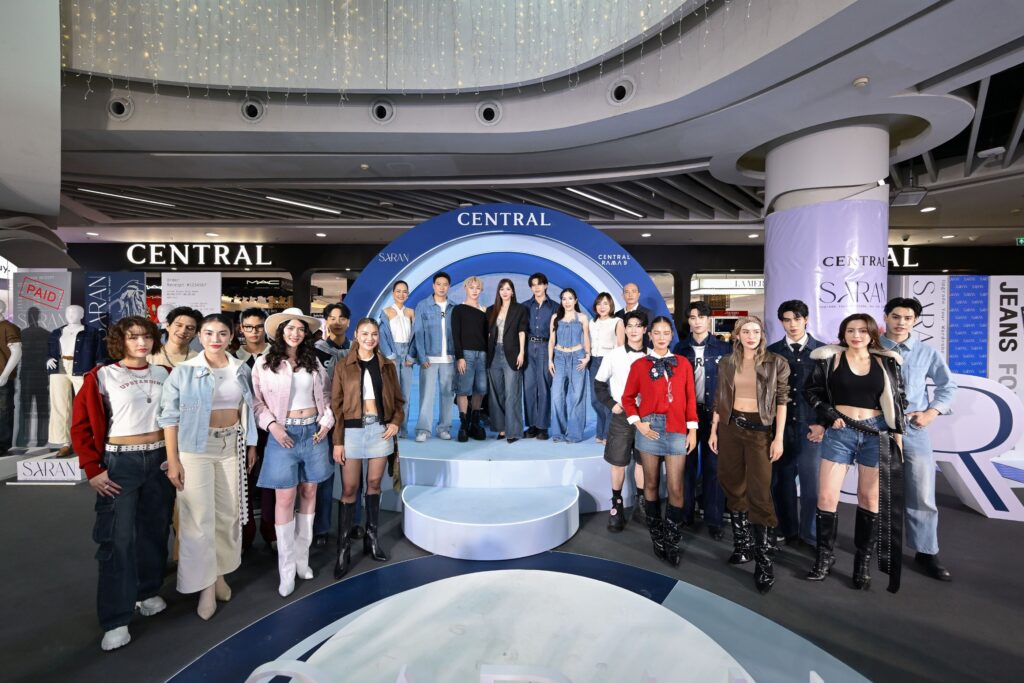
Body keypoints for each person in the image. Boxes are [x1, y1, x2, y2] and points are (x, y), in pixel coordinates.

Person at [71, 316, 175, 651]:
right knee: (117, 539)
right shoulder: (102, 376)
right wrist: (92, 468)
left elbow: (176, 417)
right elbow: (80, 425)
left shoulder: (165, 373)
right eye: (133, 337)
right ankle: (116, 617)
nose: (141, 343)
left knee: (154, 530)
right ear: (121, 340)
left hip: (159, 460)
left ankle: (147, 590)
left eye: (146, 336)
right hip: (120, 463)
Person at [159, 313, 258, 620]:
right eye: (209, 333)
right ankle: (203, 586)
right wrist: (173, 460)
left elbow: (248, 409)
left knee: (227, 515)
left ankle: (219, 575)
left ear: (231, 336)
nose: (216, 339)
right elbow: (169, 417)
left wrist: (251, 444)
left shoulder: (240, 368)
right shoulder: (184, 371)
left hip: (232, 446)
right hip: (195, 449)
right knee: (198, 518)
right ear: (199, 337)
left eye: (222, 333)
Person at [805, 313, 907, 592]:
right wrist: (828, 414)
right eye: (850, 330)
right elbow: (811, 391)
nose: (856, 335)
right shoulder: (830, 359)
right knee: (826, 496)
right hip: (841, 432)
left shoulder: (887, 361)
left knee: (869, 498)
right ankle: (824, 557)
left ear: (872, 333)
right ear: (843, 333)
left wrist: (898, 441)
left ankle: (862, 563)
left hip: (876, 433)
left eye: (862, 330)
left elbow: (899, 402)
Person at [252, 309, 334, 597]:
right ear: (281, 331)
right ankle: (286, 569)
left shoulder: (314, 362)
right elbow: (257, 403)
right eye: (290, 328)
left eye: (300, 329)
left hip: (314, 433)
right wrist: (272, 426)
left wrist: (327, 421)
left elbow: (326, 396)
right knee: (285, 498)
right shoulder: (265, 363)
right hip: (282, 435)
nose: (295, 333)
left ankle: (302, 560)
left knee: (310, 493)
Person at [709, 316, 789, 594]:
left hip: (760, 432)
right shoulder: (726, 362)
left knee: (760, 491)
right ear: (737, 335)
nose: (751, 335)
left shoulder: (776, 362)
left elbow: (782, 401)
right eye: (746, 331)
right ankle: (743, 545)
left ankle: (764, 560)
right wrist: (714, 430)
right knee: (731, 483)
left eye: (756, 331)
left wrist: (778, 437)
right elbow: (720, 397)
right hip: (730, 428)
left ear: (762, 335)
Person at [880, 297, 956, 581]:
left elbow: (948, 386)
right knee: (874, 491)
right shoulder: (869, 348)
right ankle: (877, 545)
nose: (901, 322)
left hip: (913, 429)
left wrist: (931, 412)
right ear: (886, 317)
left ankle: (926, 551)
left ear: (915, 321)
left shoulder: (926, 352)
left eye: (908, 318)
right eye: (896, 316)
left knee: (922, 492)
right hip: (876, 427)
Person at [331, 318, 404, 578]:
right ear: (356, 335)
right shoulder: (343, 366)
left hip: (379, 431)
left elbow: (399, 401)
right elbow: (336, 407)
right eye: (365, 333)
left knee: (374, 484)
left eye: (374, 334)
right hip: (351, 432)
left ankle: (371, 539)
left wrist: (395, 422)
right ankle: (343, 549)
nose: (370, 338)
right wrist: (338, 441)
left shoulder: (387, 366)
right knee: (349, 488)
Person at [622, 316, 697, 565]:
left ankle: (672, 540)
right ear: (650, 335)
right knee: (651, 484)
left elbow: (690, 398)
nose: (662, 337)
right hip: (650, 429)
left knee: (676, 488)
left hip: (677, 428)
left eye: (666, 332)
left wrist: (692, 430)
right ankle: (657, 538)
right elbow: (628, 398)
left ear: (671, 335)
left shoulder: (683, 363)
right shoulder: (639, 365)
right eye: (657, 332)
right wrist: (638, 423)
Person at [766, 300, 825, 548]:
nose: (792, 324)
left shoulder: (823, 352)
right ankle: (786, 529)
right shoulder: (771, 352)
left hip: (811, 427)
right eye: (787, 320)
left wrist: (822, 423)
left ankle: (810, 534)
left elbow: (831, 392)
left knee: (812, 486)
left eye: (797, 319)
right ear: (781, 322)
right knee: (781, 482)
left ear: (806, 319)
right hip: (780, 428)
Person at [674, 301, 732, 540]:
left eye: (701, 317)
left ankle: (714, 519)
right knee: (685, 466)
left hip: (714, 414)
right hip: (687, 414)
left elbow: (729, 386)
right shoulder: (680, 349)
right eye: (692, 317)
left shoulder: (724, 348)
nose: (696, 321)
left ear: (708, 320)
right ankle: (685, 515)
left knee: (713, 467)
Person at [594, 310, 649, 531]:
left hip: (646, 417)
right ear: (624, 329)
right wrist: (611, 404)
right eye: (630, 325)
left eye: (638, 325)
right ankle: (616, 505)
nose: (634, 330)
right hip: (622, 416)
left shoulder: (653, 355)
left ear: (645, 329)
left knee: (643, 462)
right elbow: (599, 384)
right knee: (618, 462)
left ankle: (641, 504)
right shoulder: (614, 355)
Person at [234, 308, 276, 552]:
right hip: (241, 428)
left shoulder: (276, 356)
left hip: (271, 427)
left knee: (272, 482)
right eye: (248, 327)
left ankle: (271, 531)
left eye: (258, 326)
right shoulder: (232, 358)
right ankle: (244, 534)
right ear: (241, 328)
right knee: (243, 483)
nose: (253, 331)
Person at [313, 303, 355, 546]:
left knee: (353, 475)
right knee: (325, 475)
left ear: (348, 322)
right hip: (325, 420)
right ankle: (321, 528)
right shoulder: (315, 351)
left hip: (352, 419)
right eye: (332, 318)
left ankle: (354, 523)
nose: (337, 322)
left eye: (342, 318)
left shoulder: (357, 349)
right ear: (326, 321)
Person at [411, 272, 456, 442]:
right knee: (426, 396)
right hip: (429, 359)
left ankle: (444, 428)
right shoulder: (423, 305)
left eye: (445, 284)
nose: (442, 287)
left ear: (449, 286)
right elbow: (418, 332)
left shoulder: (453, 307)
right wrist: (422, 357)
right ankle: (423, 430)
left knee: (447, 395)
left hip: (449, 359)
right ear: (433, 286)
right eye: (438, 284)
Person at [486, 279, 528, 443]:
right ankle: (502, 429)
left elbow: (522, 331)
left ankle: (514, 432)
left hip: (512, 353)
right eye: (502, 289)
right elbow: (487, 333)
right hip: (494, 354)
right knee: (496, 393)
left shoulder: (520, 309)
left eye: (508, 289)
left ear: (513, 292)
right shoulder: (491, 310)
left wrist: (521, 353)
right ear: (498, 291)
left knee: (512, 393)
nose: (505, 292)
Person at [548, 288, 591, 443]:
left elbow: (586, 337)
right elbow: (551, 340)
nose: (567, 302)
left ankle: (574, 434)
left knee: (577, 395)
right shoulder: (555, 317)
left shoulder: (582, 317)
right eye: (564, 298)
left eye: (570, 298)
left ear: (576, 300)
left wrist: (587, 356)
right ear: (561, 301)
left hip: (577, 357)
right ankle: (558, 433)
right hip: (559, 357)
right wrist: (550, 360)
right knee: (556, 396)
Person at [452, 277, 489, 442]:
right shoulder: (459, 309)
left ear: (481, 290)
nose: (474, 290)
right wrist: (460, 357)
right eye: (471, 287)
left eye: (477, 288)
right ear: (465, 288)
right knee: (463, 389)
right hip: (466, 354)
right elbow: (456, 335)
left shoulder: (485, 311)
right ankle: (464, 424)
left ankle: (475, 421)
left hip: (482, 354)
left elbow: (487, 335)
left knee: (480, 389)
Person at [523, 273, 559, 440]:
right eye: (533, 285)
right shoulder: (524, 306)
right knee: (529, 387)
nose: (536, 287)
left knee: (544, 387)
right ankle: (531, 425)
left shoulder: (555, 307)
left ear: (546, 285)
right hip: (528, 347)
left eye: (539, 284)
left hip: (546, 347)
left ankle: (542, 427)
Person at [378, 281, 415, 439]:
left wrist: (411, 356)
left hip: (406, 355)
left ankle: (403, 429)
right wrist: (390, 356)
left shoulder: (411, 312)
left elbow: (416, 335)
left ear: (408, 294)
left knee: (406, 394)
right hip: (392, 354)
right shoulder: (386, 312)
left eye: (404, 291)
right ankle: (392, 427)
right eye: (398, 291)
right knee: (392, 393)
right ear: (393, 293)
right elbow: (382, 336)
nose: (401, 294)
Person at [589, 293, 624, 445]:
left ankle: (607, 434)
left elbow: (621, 345)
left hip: (609, 360)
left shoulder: (617, 321)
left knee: (608, 398)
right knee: (595, 399)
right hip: (594, 361)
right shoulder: (592, 322)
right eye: (599, 304)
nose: (602, 307)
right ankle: (601, 430)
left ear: (611, 306)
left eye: (605, 304)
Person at [614, 282, 652, 348]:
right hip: (621, 351)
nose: (630, 295)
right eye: (627, 292)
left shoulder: (647, 313)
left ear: (638, 294)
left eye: (633, 291)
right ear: (622, 295)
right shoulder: (617, 314)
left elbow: (649, 336)